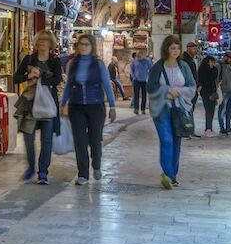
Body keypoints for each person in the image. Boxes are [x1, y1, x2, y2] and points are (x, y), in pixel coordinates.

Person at [61, 34, 117, 185]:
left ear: (92, 47)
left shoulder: (99, 64)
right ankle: (83, 174)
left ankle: (96, 164)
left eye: (87, 44)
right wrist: (63, 104)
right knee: (80, 141)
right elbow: (68, 86)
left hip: (96, 106)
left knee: (94, 139)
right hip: (76, 106)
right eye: (81, 44)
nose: (83, 47)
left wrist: (112, 106)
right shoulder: (72, 63)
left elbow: (107, 85)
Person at [12, 33, 62, 184]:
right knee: (28, 139)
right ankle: (31, 167)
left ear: (50, 44)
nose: (42, 43)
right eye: (40, 40)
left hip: (47, 104)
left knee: (46, 140)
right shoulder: (29, 59)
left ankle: (43, 172)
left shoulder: (55, 61)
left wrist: (40, 78)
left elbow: (57, 79)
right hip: (29, 104)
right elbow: (16, 78)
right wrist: (28, 76)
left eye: (45, 41)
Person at [148, 35, 195, 189]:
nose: (175, 51)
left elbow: (192, 86)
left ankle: (172, 176)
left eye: (177, 48)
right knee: (167, 140)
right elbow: (151, 87)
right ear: (166, 49)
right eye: (172, 48)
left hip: (179, 109)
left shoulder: (184, 67)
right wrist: (167, 90)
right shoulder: (158, 67)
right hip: (161, 109)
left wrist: (179, 92)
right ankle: (167, 174)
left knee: (176, 143)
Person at [196, 52, 219, 136]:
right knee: (208, 110)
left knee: (212, 110)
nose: (214, 64)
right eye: (212, 62)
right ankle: (208, 128)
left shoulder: (213, 69)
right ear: (209, 61)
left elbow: (215, 77)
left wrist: (213, 68)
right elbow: (204, 81)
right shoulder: (203, 70)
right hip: (205, 92)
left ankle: (210, 128)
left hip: (212, 92)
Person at [217, 50, 231, 135]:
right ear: (225, 57)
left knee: (229, 110)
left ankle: (228, 127)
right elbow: (217, 77)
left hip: (230, 90)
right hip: (223, 91)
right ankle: (222, 128)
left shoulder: (229, 66)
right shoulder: (219, 65)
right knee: (222, 110)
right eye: (229, 58)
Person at [129, 49, 152, 114]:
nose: (139, 58)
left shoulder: (147, 61)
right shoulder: (134, 61)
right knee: (136, 95)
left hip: (145, 80)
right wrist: (134, 77)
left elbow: (151, 69)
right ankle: (136, 108)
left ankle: (143, 109)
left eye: (140, 57)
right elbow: (132, 70)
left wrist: (149, 77)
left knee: (144, 95)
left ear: (143, 56)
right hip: (136, 80)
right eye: (138, 57)